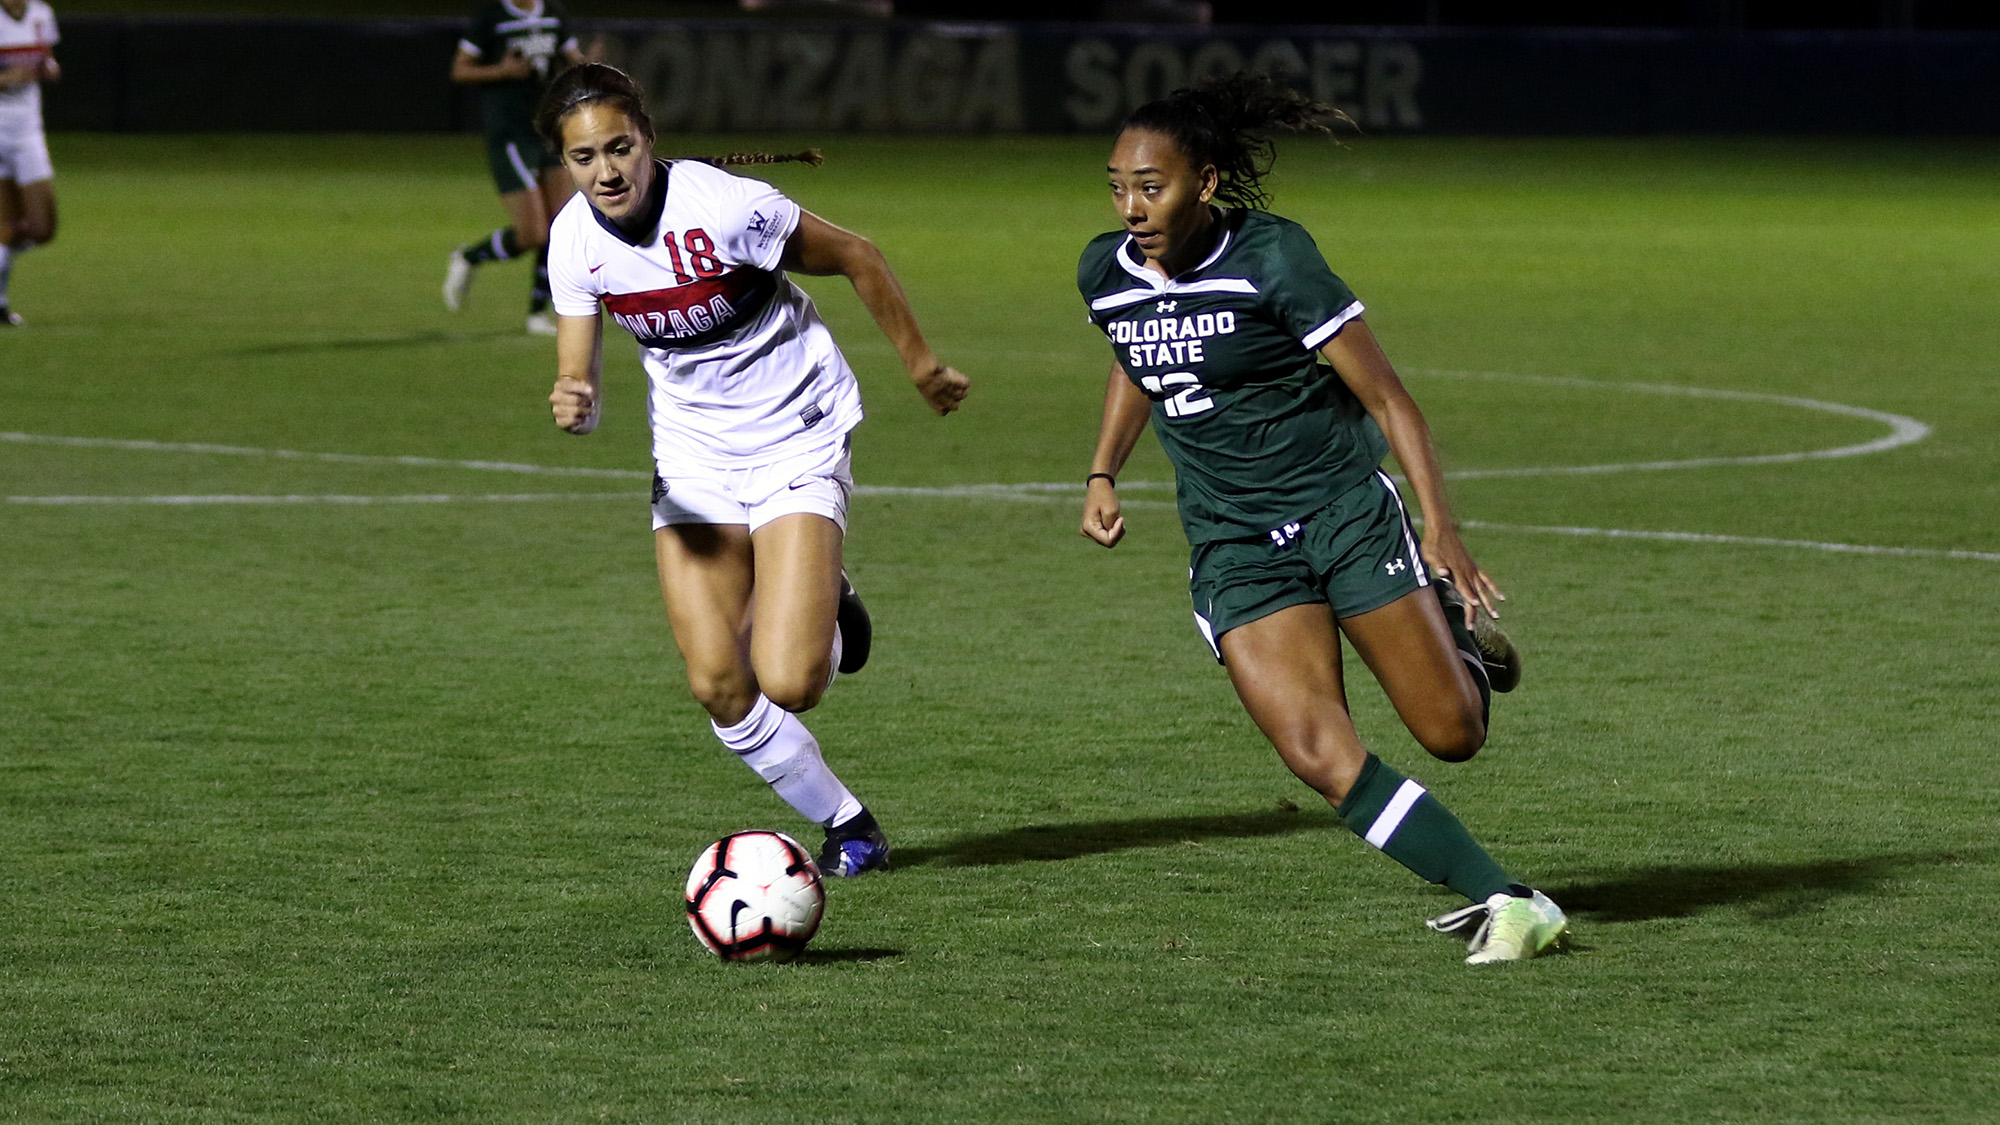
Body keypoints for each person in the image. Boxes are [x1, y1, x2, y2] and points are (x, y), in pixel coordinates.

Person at [1076, 74, 1566, 964]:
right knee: (1316, 751)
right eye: (1118, 187)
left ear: (1205, 182)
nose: (1132, 208)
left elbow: (1390, 399)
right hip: (1234, 544)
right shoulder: (1104, 271)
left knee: (1452, 733)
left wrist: (1440, 527)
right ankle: (1510, 899)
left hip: (1341, 513)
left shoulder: (1275, 257)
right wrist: (1104, 468)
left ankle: (1452, 630)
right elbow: (1134, 352)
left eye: (1151, 186)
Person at [536, 64, 970, 876]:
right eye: (584, 157)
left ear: (648, 138)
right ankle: (850, 826)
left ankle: (827, 604)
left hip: (795, 432)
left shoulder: (727, 207)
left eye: (620, 147)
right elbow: (578, 372)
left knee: (792, 682)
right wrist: (577, 398)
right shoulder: (573, 241)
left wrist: (920, 363)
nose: (607, 171)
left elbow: (857, 255)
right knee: (720, 684)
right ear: (565, 163)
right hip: (693, 457)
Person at [442, 0, 588, 336]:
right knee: (533, 233)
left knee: (560, 227)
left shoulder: (552, 13)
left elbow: (572, 59)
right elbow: (460, 69)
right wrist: (501, 71)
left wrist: (589, 65)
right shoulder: (492, 16)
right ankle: (469, 257)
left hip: (549, 127)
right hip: (510, 134)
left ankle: (538, 314)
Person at [0, 0, 58, 328]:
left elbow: (46, 58)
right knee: (6, 225)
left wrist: (49, 68)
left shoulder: (40, 13)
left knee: (42, 228)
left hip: (27, 131)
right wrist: (6, 79)